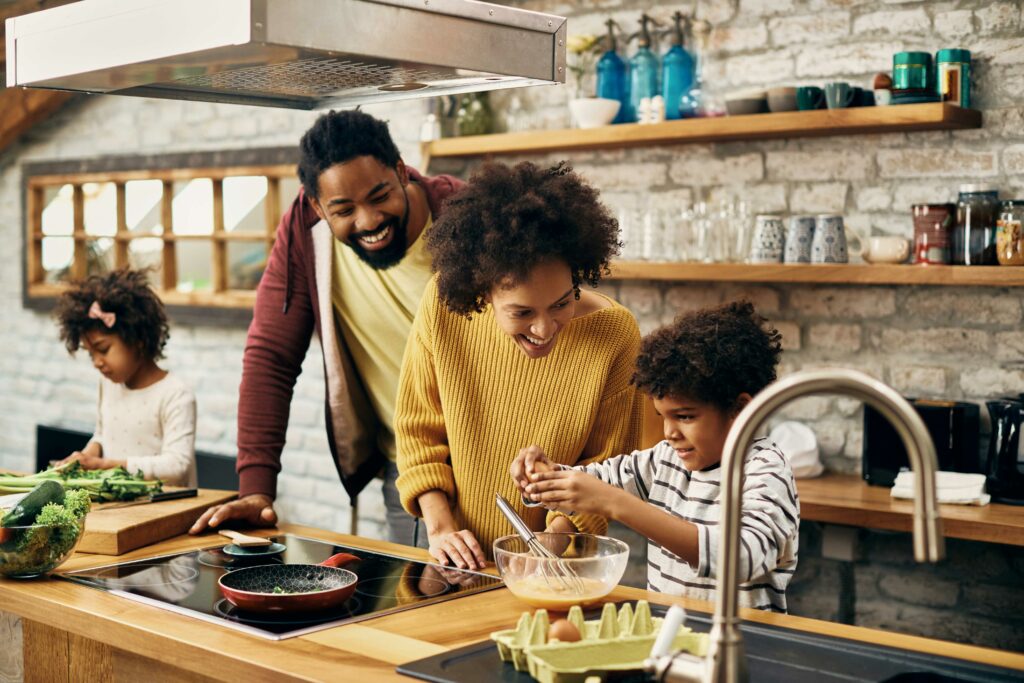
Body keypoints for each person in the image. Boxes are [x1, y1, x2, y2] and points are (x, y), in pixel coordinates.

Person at [189, 110, 464, 544]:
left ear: (400, 171)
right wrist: (256, 489)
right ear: (317, 207)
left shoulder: (463, 216)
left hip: (501, 462)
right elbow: (271, 357)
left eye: (380, 196)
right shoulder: (304, 233)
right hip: (410, 474)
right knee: (426, 606)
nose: (369, 220)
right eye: (344, 209)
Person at [395, 160, 646, 571]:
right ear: (483, 291)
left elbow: (604, 468)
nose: (545, 328)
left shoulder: (614, 336)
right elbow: (417, 432)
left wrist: (551, 541)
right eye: (522, 312)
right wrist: (441, 529)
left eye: (562, 303)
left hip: (558, 561)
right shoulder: (443, 306)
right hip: (453, 555)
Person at [513, 301, 799, 612]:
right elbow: (592, 484)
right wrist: (543, 476)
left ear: (740, 409)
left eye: (685, 417)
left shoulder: (766, 471)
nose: (669, 433)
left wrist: (616, 503)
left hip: (745, 648)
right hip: (670, 639)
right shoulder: (665, 460)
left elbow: (742, 557)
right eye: (662, 416)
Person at [55, 268, 197, 487]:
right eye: (91, 354)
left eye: (103, 350)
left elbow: (177, 467)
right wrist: (85, 458)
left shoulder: (175, 394)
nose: (97, 362)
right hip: (122, 504)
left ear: (137, 339)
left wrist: (105, 465)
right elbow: (103, 435)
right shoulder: (108, 384)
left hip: (165, 509)